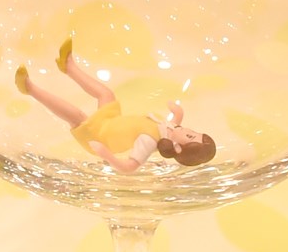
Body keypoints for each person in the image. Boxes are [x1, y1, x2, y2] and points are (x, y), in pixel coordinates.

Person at [14, 37, 215, 171]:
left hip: (101, 136)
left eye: (190, 136)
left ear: (178, 148)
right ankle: (69, 67)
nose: (188, 130)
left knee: (77, 116)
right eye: (193, 132)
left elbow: (129, 167)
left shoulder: (149, 142)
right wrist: (177, 111)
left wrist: (105, 154)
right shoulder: (169, 131)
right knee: (106, 94)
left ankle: (30, 88)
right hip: (111, 121)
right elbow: (175, 122)